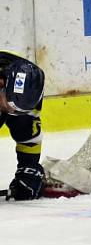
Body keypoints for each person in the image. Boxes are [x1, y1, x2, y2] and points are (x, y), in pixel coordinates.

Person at [0, 51, 46, 201]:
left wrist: (29, 169)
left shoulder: (25, 92)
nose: (12, 112)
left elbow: (28, 136)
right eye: (9, 107)